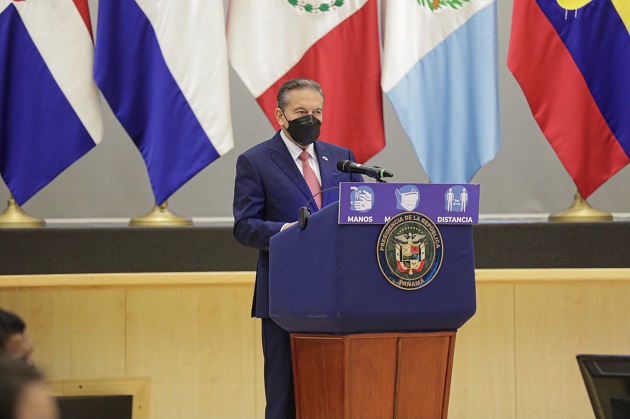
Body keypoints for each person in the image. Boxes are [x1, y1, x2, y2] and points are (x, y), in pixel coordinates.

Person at [233, 78, 362, 418]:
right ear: (280, 115)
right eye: (301, 111)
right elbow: (245, 226)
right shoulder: (256, 161)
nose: (311, 119)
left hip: (341, 294)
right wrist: (286, 231)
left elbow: (363, 213)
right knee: (285, 397)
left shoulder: (342, 159)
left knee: (338, 392)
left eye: (317, 112)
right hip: (285, 296)